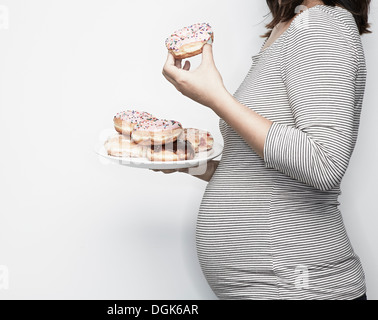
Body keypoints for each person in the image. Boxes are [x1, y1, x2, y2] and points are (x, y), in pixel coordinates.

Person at [157, 0, 371, 300]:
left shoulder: (323, 23)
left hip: (301, 290)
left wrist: (218, 99)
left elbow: (324, 163)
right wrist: (185, 162)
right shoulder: (292, 25)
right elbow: (252, 171)